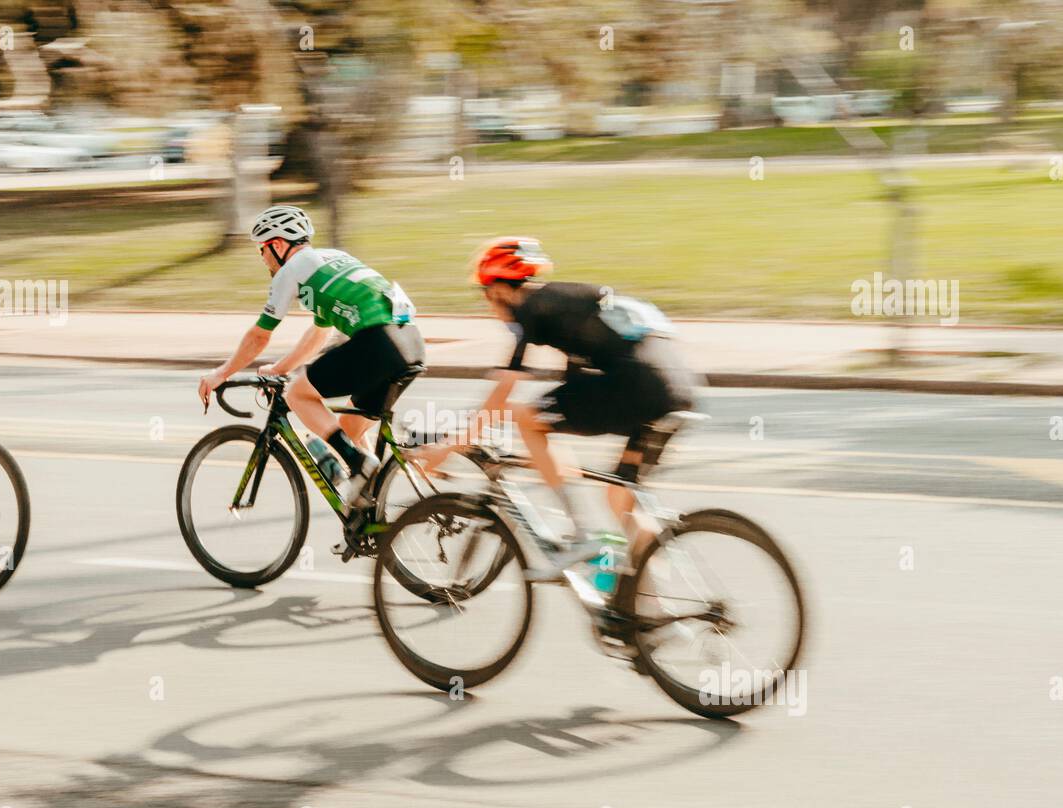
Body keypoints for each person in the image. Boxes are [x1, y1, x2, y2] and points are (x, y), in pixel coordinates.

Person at [414, 236, 698, 573]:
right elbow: (573, 390)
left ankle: (582, 532)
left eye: (487, 296)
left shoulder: (531, 309)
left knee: (526, 417)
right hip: (676, 388)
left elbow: (502, 396)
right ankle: (645, 607)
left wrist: (445, 449)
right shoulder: (567, 303)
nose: (489, 307)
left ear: (502, 290)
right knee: (620, 499)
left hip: (638, 384)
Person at [197, 205, 425, 505]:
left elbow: (259, 336)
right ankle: (370, 516)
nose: (262, 258)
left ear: (277, 245)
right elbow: (319, 333)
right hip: (410, 343)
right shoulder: (333, 259)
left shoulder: (290, 270)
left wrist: (220, 373)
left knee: (297, 394)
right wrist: (279, 367)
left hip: (378, 341)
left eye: (261, 250)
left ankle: (359, 465)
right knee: (350, 431)